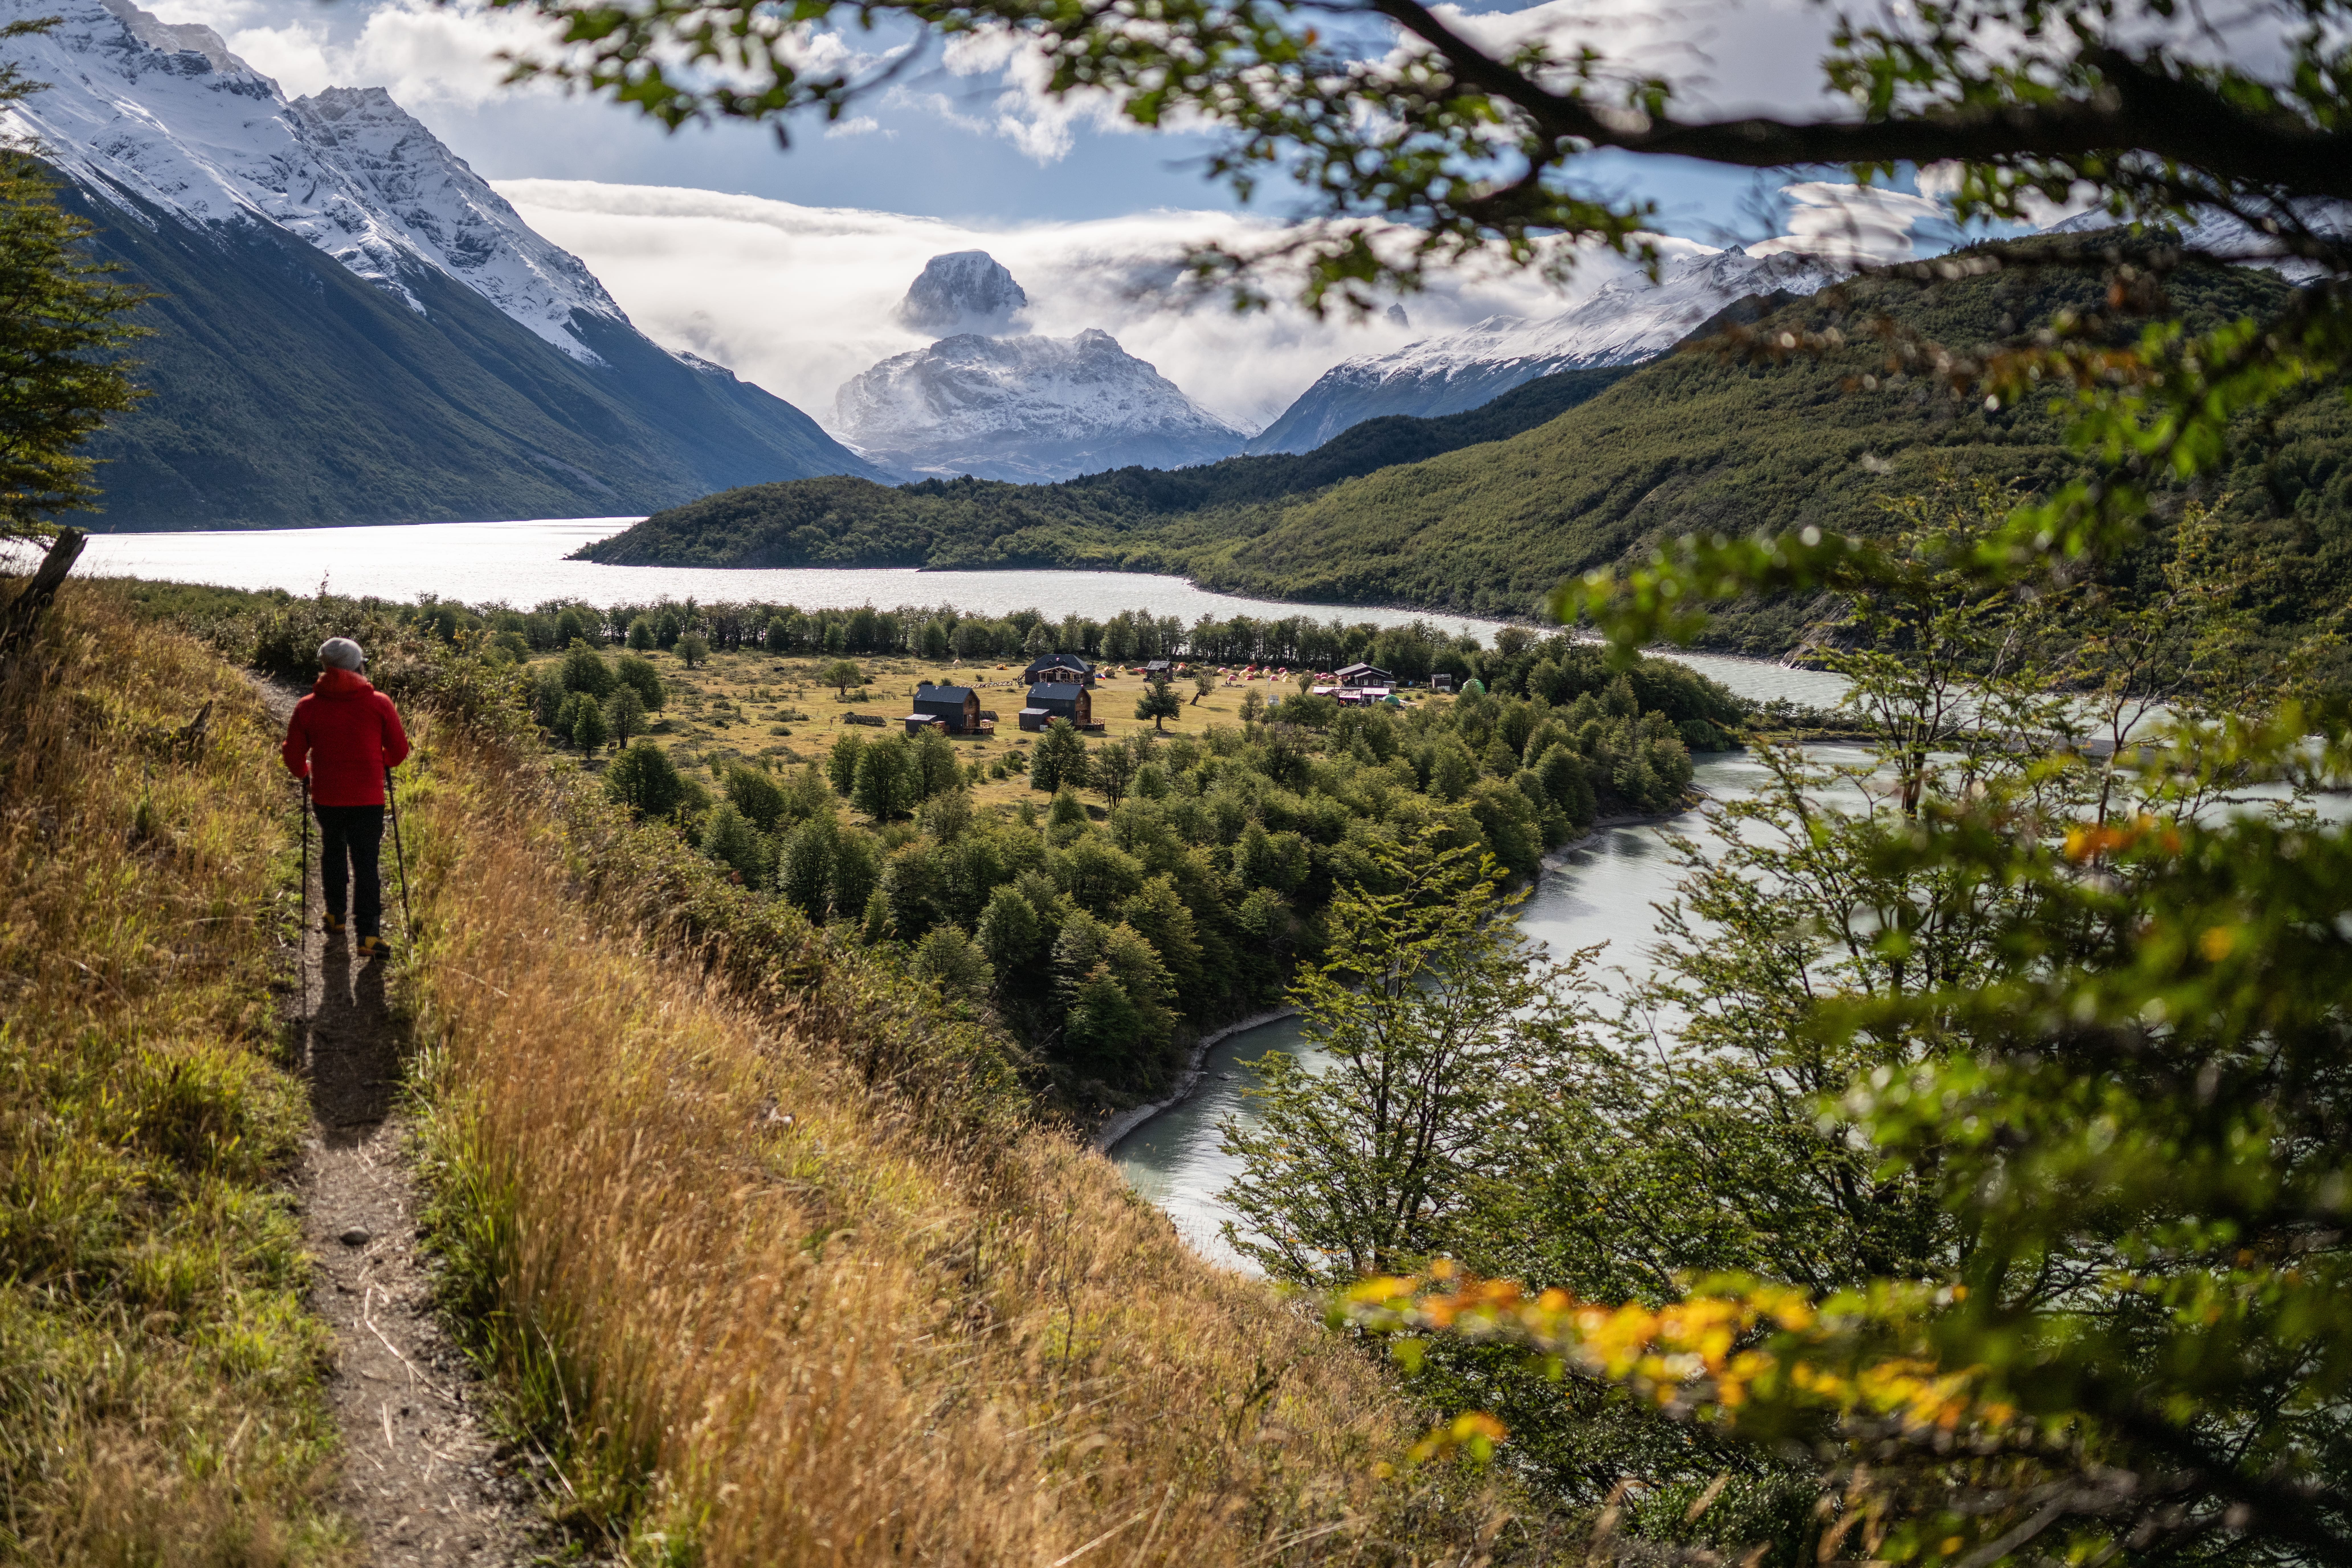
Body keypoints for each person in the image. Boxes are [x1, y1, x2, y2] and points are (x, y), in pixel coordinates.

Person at [281, 637, 410, 957]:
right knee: (366, 861)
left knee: (333, 850)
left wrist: (304, 771)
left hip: (327, 795)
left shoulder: (307, 706)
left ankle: (336, 916)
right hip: (368, 796)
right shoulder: (380, 703)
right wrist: (383, 762)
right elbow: (399, 750)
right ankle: (368, 935)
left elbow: (294, 755)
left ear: (325, 667)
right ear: (358, 666)